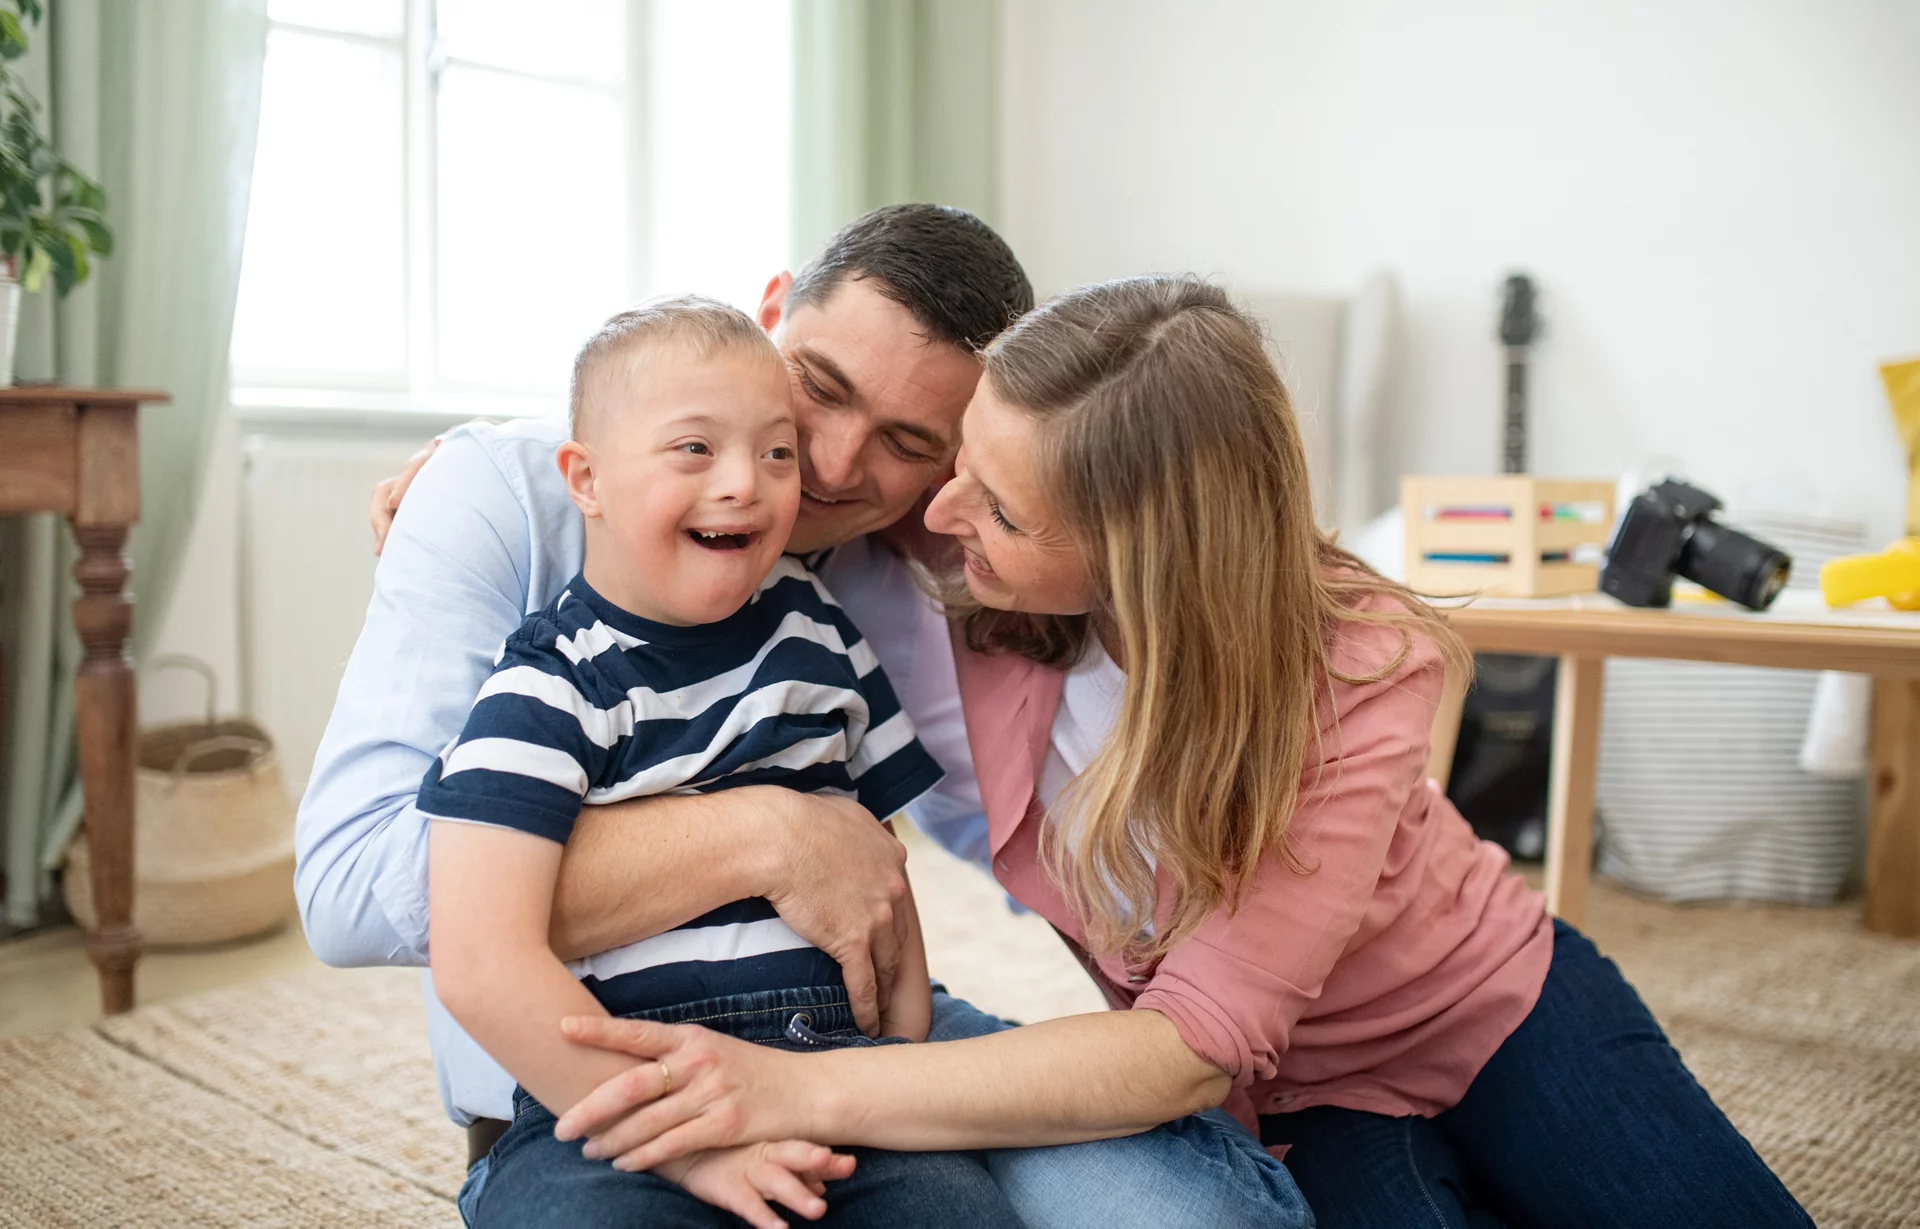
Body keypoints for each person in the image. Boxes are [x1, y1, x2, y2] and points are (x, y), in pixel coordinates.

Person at [539, 276, 1814, 1229]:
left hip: (1491, 1000)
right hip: (1302, 1097)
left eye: (1000, 503)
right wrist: (486, 480)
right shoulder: (955, 560)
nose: (936, 512)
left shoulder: (1360, 661)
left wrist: (795, 1090)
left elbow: (1188, 1039)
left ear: (1138, 552)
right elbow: (712, 394)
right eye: (966, 459)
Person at [300, 209, 1307, 1228]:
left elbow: (1019, 837)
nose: (824, 464)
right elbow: (349, 891)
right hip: (595, 1069)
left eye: (908, 441)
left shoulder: (902, 577)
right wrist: (770, 834)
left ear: (951, 468)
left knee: (1197, 1213)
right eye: (818, 386)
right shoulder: (510, 514)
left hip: (835, 1039)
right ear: (772, 310)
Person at [421, 296, 1023, 1227]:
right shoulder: (544, 686)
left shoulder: (823, 637)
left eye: (776, 451)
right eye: (694, 449)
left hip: (830, 1077)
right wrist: (692, 1142)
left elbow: (880, 871)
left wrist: (901, 1063)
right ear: (586, 478)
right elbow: (478, 961)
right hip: (624, 1103)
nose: (746, 481)